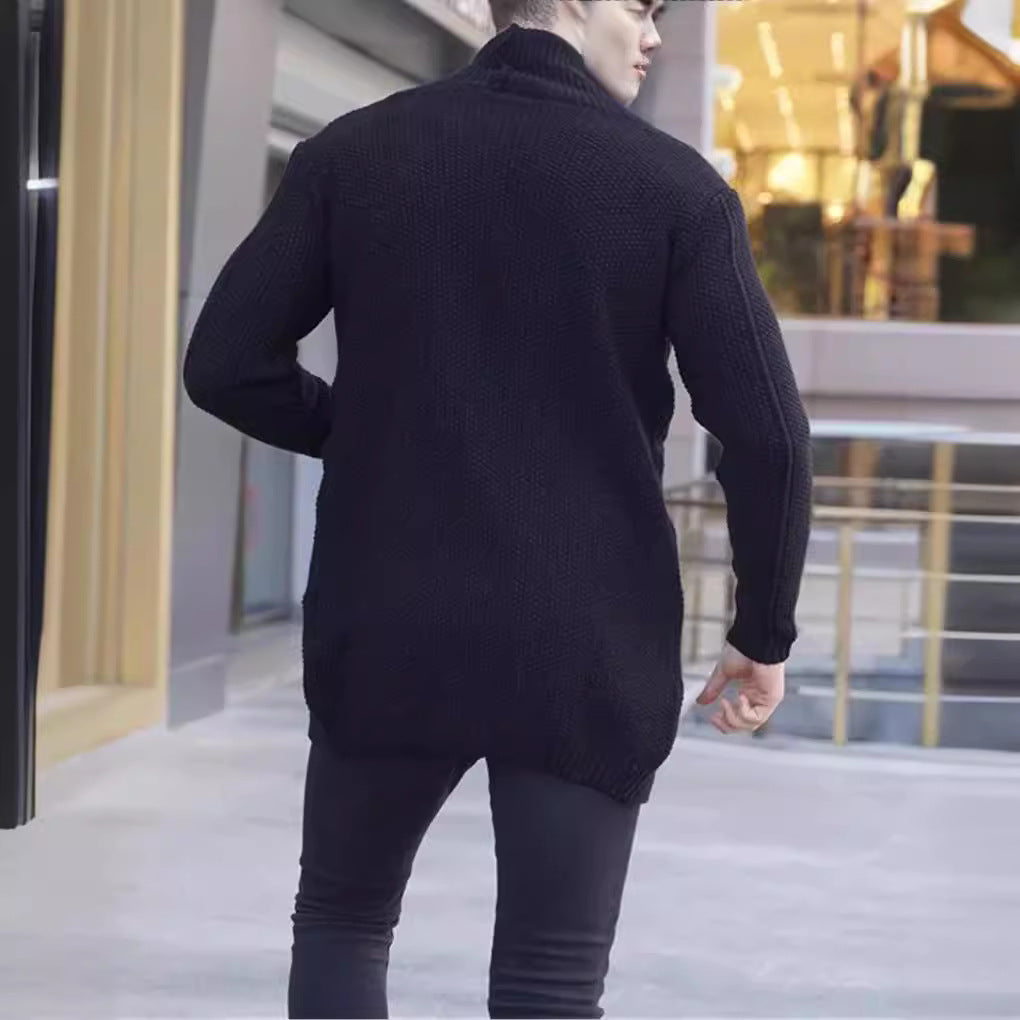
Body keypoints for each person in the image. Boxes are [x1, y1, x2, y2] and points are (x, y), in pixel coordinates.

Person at [182, 0, 813, 1016]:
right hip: (585, 632)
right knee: (549, 983)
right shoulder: (674, 189)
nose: (654, 36)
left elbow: (225, 363)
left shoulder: (353, 154)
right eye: (640, 8)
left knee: (343, 921)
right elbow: (770, 435)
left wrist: (369, 437)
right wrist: (763, 629)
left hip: (389, 611)